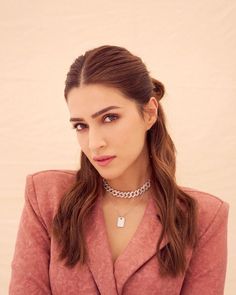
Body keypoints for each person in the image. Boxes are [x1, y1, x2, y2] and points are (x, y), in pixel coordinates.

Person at [9, 45, 229, 295]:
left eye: (109, 118)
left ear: (149, 113)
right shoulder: (46, 197)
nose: (94, 143)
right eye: (81, 126)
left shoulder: (205, 217)